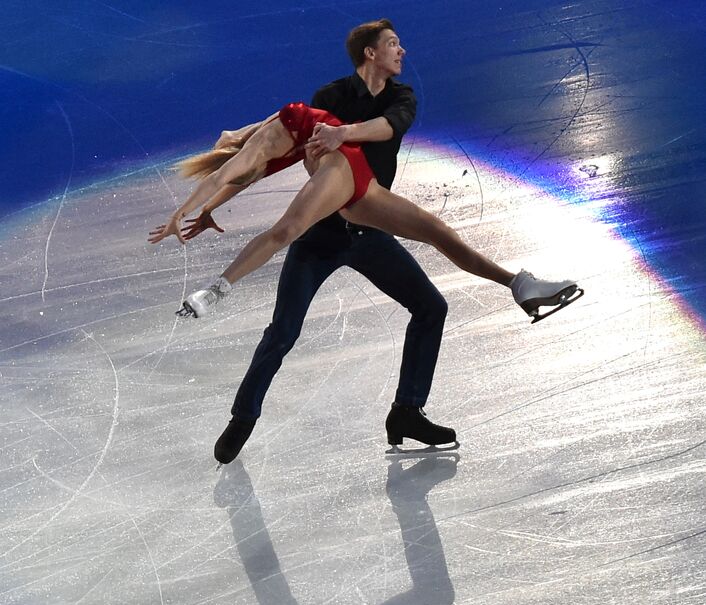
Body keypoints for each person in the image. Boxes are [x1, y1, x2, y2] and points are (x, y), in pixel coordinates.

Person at [149, 20, 581, 460]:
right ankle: (243, 417)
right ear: (370, 53)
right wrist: (207, 207)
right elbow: (268, 158)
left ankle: (407, 412)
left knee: (431, 306)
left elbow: (387, 128)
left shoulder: (401, 97)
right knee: (283, 332)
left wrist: (343, 134)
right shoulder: (330, 97)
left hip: (370, 230)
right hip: (320, 234)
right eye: (393, 44)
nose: (403, 51)